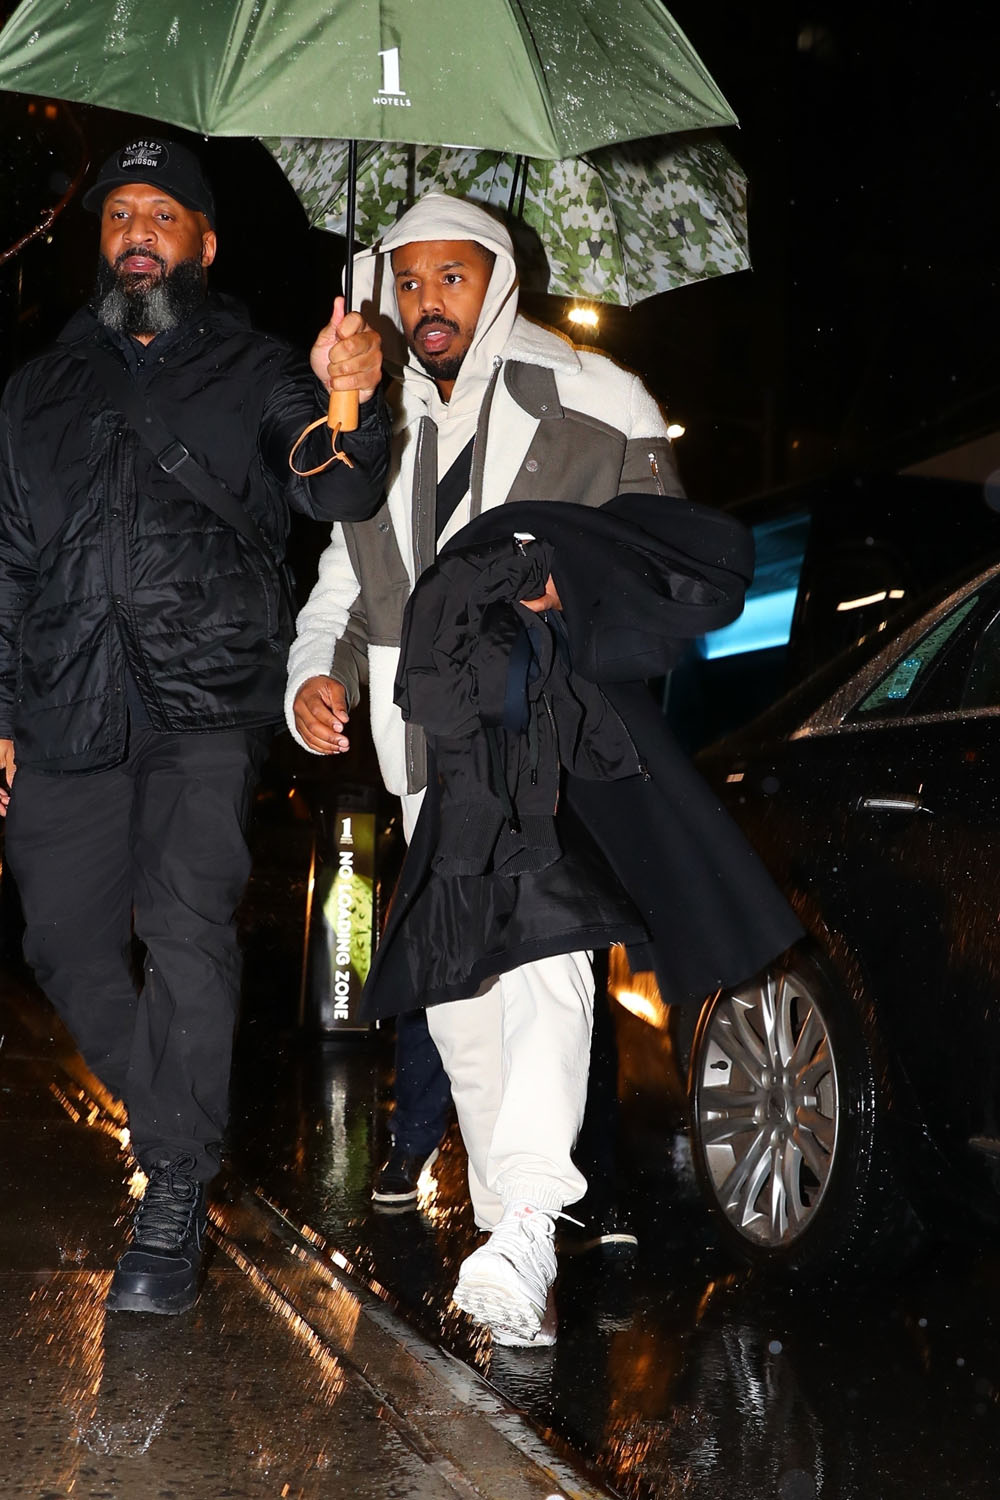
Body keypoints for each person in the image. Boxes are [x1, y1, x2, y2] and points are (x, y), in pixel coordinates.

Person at [286, 193, 689, 1347]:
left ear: (498, 280)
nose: (428, 303)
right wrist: (312, 677)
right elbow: (343, 579)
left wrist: (580, 590)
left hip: (548, 730)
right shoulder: (370, 419)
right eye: (408, 281)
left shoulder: (598, 397)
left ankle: (522, 1221)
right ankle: (517, 1244)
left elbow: (664, 567)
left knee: (547, 961)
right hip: (425, 745)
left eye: (451, 278)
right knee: (461, 992)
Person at [0, 136, 389, 1317]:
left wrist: (350, 395)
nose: (137, 233)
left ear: (204, 244)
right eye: (120, 214)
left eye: (162, 215)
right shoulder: (38, 388)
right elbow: (8, 560)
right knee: (63, 942)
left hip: (205, 699)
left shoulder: (261, 368)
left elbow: (333, 484)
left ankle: (172, 1190)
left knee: (185, 927)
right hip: (65, 697)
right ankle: (178, 1126)